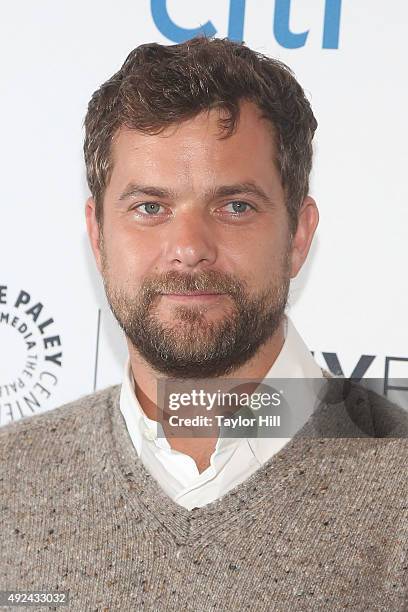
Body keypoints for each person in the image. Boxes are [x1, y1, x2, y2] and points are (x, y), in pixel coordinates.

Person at [1, 36, 407, 611]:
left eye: (235, 206)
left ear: (298, 235)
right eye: (150, 208)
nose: (189, 248)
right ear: (97, 236)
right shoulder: (10, 479)